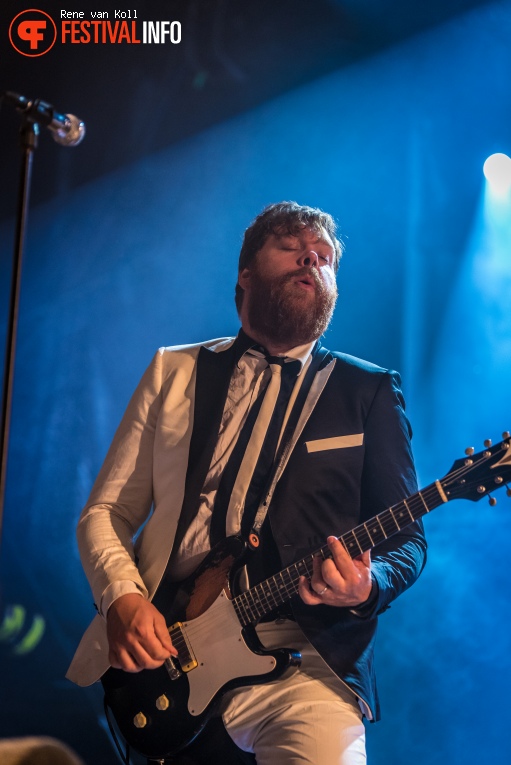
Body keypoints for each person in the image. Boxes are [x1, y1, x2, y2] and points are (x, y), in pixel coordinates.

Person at [67, 202, 426, 765]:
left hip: (307, 663)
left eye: (326, 256)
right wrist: (123, 598)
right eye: (291, 245)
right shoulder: (175, 370)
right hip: (171, 657)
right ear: (245, 274)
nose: (313, 256)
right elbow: (105, 511)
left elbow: (409, 542)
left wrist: (367, 584)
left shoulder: (369, 391)